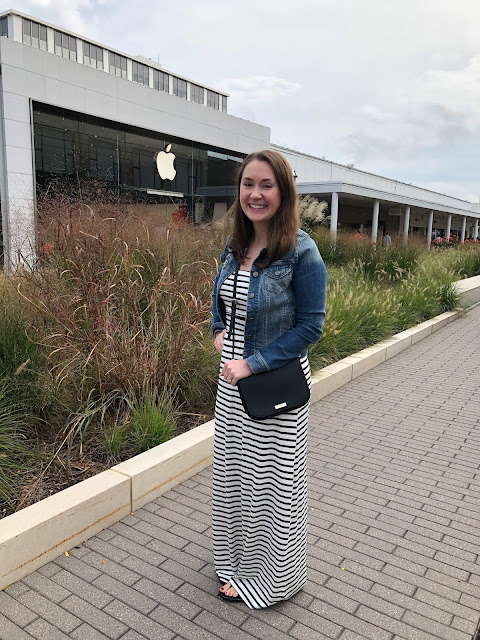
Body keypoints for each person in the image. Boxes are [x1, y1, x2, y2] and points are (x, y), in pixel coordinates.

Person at [211, 150, 327, 608]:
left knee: (273, 483)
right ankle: (236, 564)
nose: (255, 194)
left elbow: (310, 327)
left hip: (272, 378)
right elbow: (222, 297)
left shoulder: (302, 251)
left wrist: (251, 363)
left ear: (283, 191)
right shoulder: (235, 245)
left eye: (266, 185)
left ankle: (272, 577)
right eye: (248, 184)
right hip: (231, 379)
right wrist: (220, 331)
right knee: (235, 477)